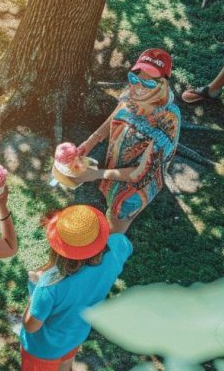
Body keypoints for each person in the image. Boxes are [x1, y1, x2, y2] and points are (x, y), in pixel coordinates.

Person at [12, 206, 133, 371]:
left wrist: (33, 288)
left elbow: (31, 326)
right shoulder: (115, 249)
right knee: (65, 359)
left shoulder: (49, 284)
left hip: (44, 346)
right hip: (77, 332)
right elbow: (124, 244)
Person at [76, 49, 180, 233]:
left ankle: (112, 255)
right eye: (137, 76)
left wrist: (97, 174)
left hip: (135, 187)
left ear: (163, 83)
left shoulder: (168, 120)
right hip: (115, 168)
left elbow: (141, 173)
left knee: (116, 225)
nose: (139, 85)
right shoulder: (132, 92)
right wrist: (91, 142)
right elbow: (117, 114)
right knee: (109, 207)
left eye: (148, 81)